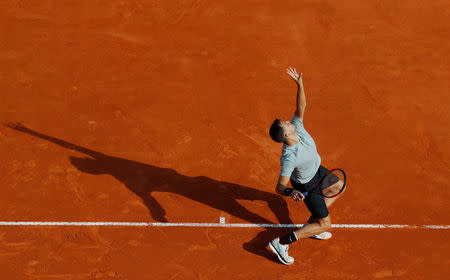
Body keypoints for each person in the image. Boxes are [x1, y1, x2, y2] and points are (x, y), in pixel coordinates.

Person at [267, 67, 344, 265]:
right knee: (326, 224)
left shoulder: (297, 128)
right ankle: (282, 242)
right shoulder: (289, 157)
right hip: (307, 185)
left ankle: (313, 226)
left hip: (319, 172)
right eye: (286, 123)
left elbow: (301, 106)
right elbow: (279, 186)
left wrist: (300, 84)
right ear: (286, 134)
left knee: (338, 187)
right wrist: (290, 192)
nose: (288, 121)